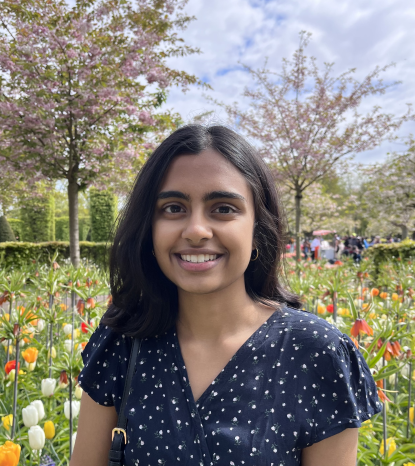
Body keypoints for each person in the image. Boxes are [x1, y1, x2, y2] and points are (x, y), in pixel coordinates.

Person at [71, 125, 382, 466]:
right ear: (149, 228)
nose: (196, 231)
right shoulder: (123, 341)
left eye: (223, 208)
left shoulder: (316, 352)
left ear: (258, 228)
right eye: (174, 208)